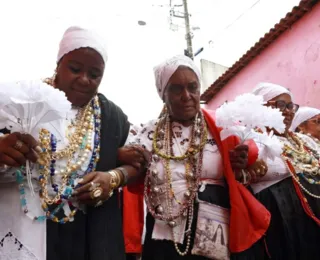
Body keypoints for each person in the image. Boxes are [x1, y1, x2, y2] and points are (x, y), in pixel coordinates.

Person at [0, 26, 143, 260]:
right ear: (58, 65)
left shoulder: (111, 117)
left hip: (88, 234)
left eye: (94, 74)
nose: (84, 80)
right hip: (26, 227)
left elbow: (138, 162)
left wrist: (113, 178)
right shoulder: (22, 101)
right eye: (75, 69)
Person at [125, 55, 271, 259]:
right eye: (176, 89)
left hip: (216, 228)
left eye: (193, 87)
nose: (187, 96)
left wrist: (244, 158)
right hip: (166, 232)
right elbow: (133, 171)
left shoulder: (221, 125)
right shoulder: (149, 133)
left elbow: (257, 156)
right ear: (163, 94)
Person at [251, 83, 320, 259]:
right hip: (282, 217)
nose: (288, 111)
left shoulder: (304, 140)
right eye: (281, 105)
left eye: (291, 106)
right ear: (262, 108)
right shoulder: (254, 141)